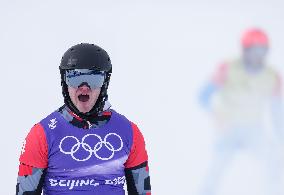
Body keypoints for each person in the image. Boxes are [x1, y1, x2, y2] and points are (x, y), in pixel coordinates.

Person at [16, 43, 151, 195]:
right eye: (75, 77)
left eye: (93, 78)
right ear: (65, 83)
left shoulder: (129, 132)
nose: (84, 87)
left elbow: (142, 192)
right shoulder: (41, 134)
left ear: (104, 83)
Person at [199, 28, 283, 195]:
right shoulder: (227, 68)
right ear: (245, 49)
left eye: (262, 50)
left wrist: (281, 137)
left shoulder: (273, 76)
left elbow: (277, 111)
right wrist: (216, 114)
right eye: (254, 50)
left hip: (254, 130)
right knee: (216, 169)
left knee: (274, 161)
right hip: (228, 130)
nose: (258, 55)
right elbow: (203, 96)